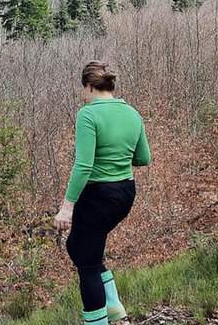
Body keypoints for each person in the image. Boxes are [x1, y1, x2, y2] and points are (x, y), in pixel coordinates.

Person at [53, 61, 151, 325]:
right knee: (79, 246)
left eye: (82, 90)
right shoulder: (132, 113)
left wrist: (67, 206)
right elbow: (144, 158)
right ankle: (113, 304)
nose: (82, 95)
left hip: (97, 195)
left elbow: (83, 166)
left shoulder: (88, 114)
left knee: (86, 262)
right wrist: (117, 158)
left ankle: (98, 320)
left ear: (89, 86)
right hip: (125, 193)